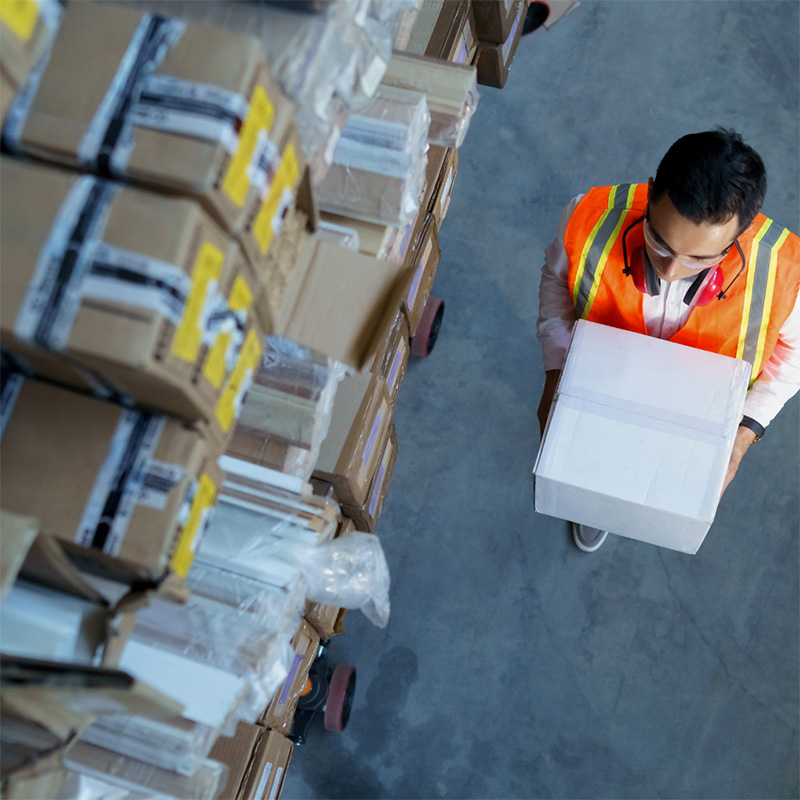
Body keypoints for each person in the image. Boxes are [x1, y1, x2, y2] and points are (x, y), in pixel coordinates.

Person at [536, 129, 800, 553]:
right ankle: (596, 508)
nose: (671, 270)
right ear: (651, 193)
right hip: (604, 378)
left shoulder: (785, 272)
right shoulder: (586, 216)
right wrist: (555, 374)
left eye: (699, 259)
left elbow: (792, 358)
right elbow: (557, 283)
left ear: (742, 232)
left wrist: (742, 436)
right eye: (658, 242)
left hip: (695, 409)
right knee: (596, 470)